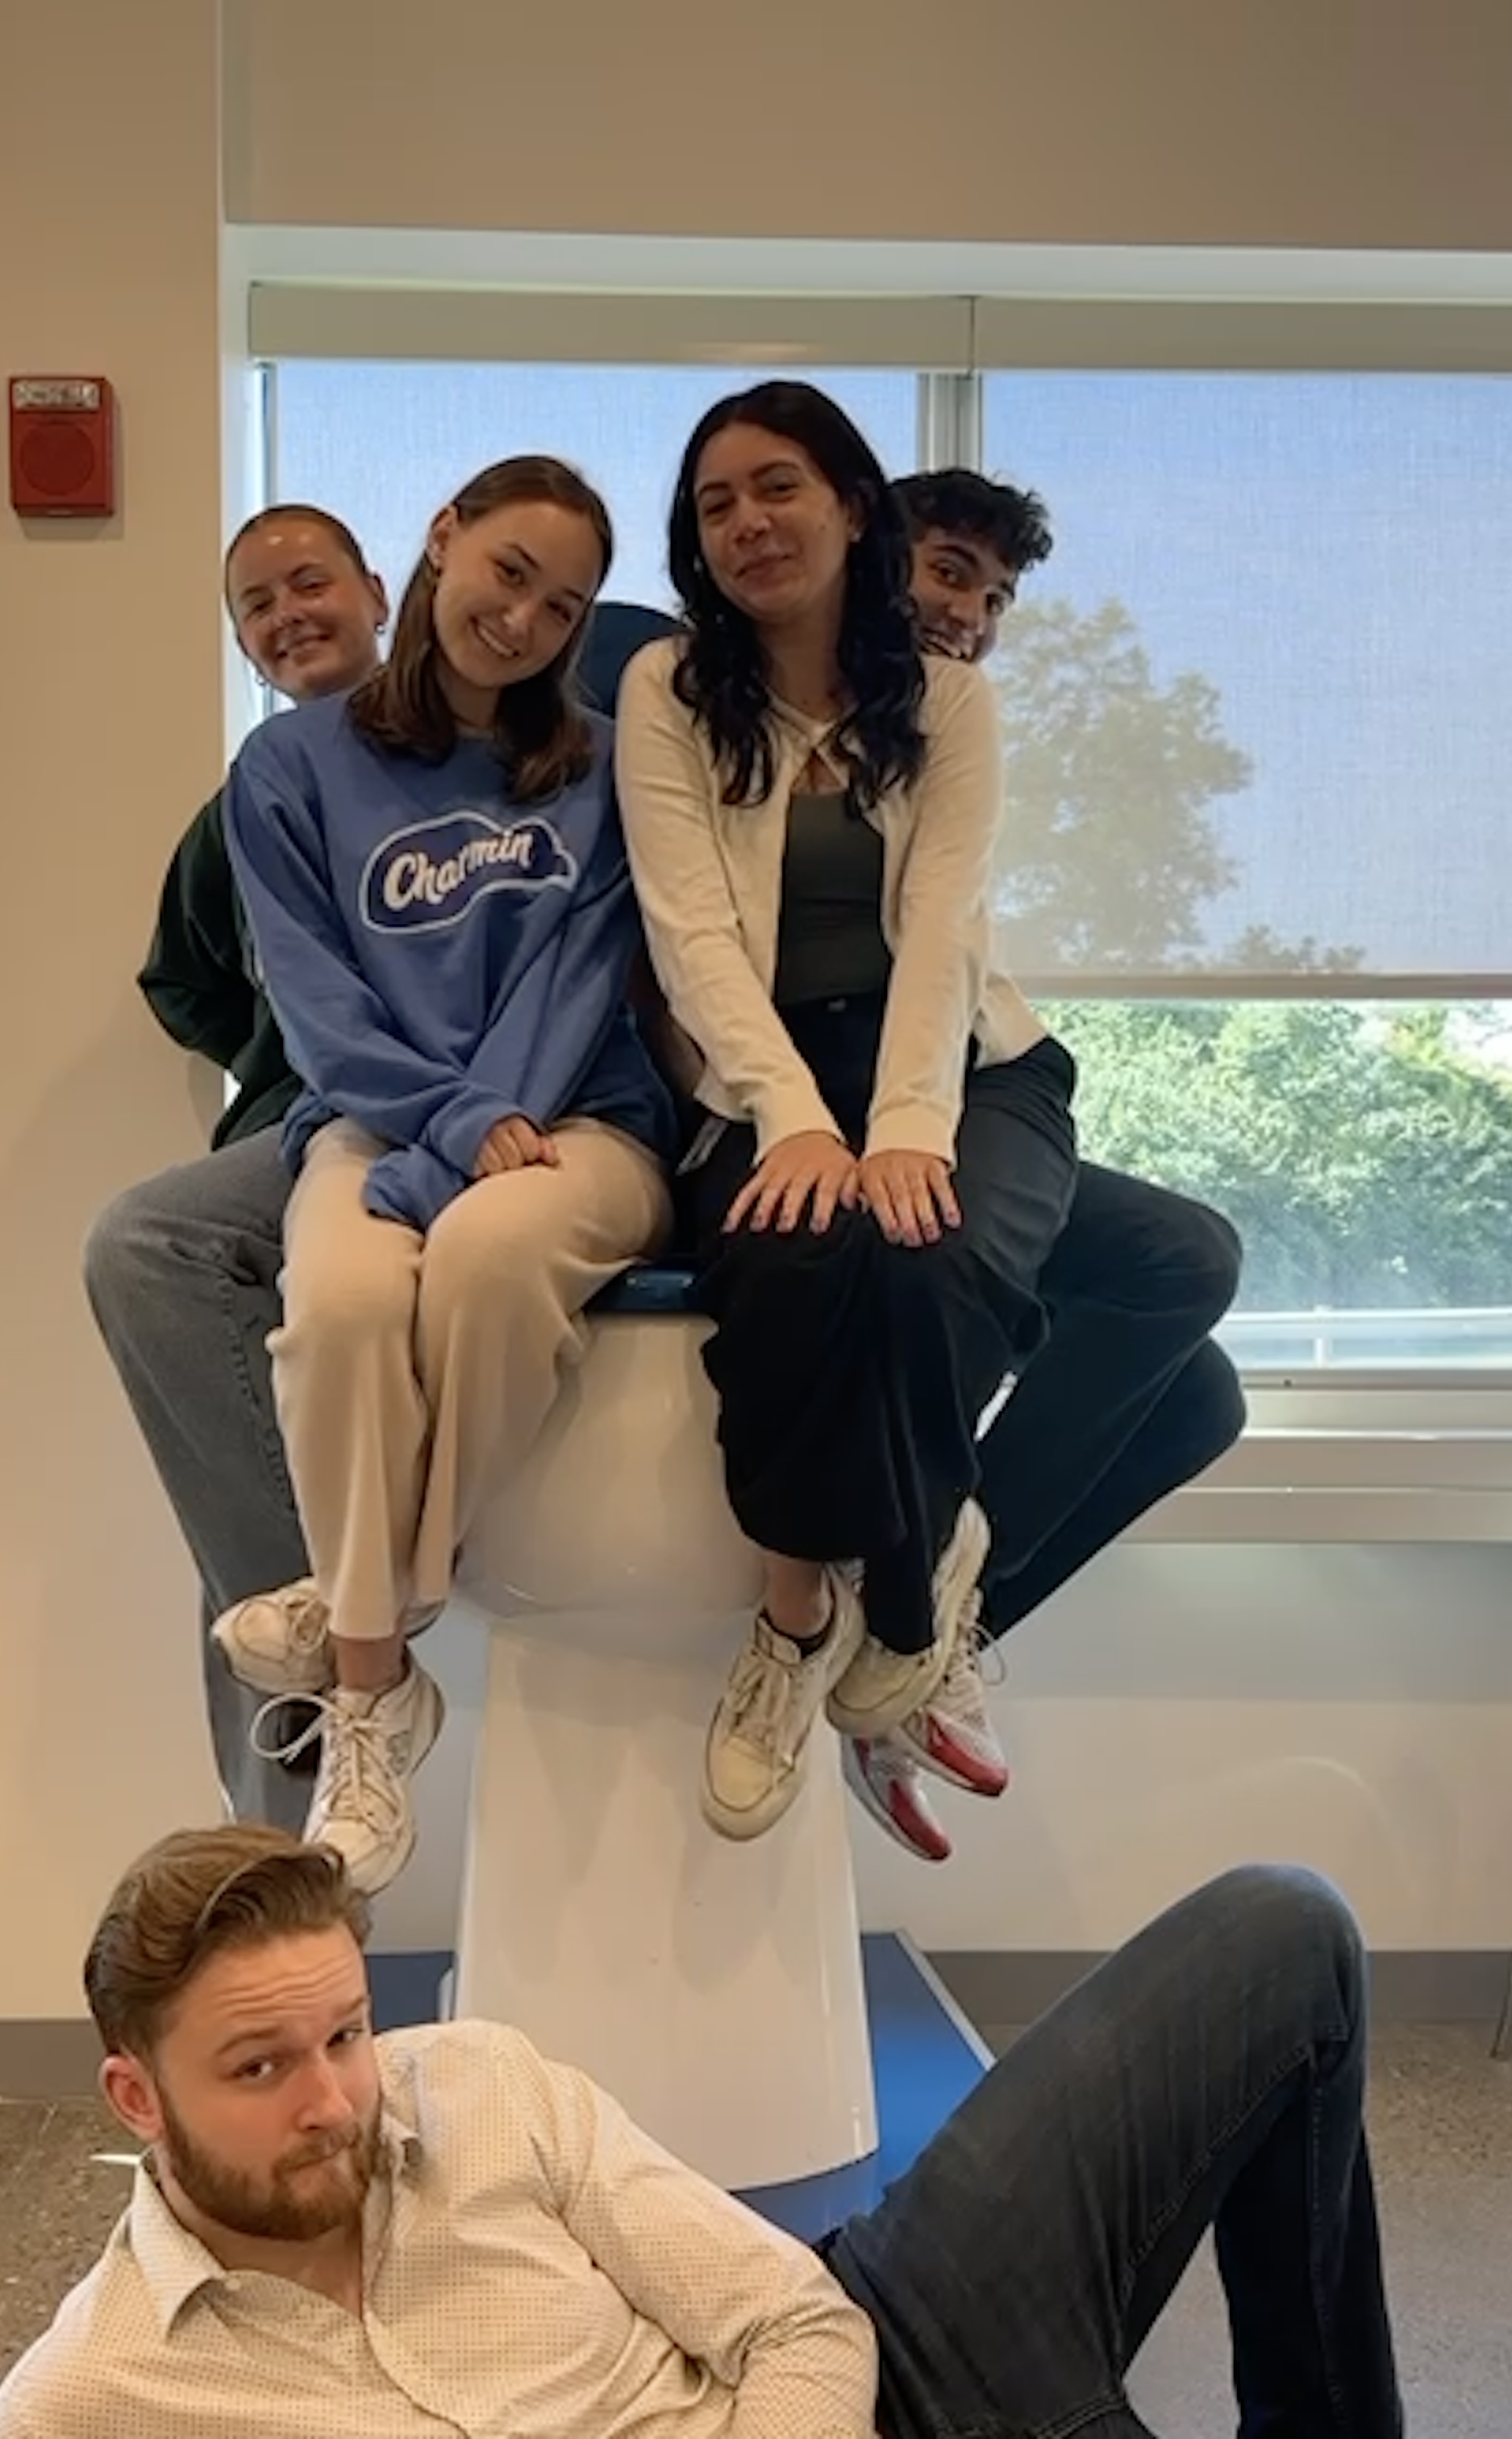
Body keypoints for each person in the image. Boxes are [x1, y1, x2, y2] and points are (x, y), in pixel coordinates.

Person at [0, 1820, 1404, 2437]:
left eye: (346, 2034)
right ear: (136, 2098)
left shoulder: (478, 2080)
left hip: (880, 2356)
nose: (336, 2101)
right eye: (260, 2068)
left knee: (1280, 1934)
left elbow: (800, 2322)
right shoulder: (89, 2400)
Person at [84, 508, 680, 1833]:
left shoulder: (590, 756)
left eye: (558, 600)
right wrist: (344, 1093)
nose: (522, 617)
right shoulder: (270, 779)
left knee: (463, 1263)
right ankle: (295, 1789)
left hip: (544, 1119)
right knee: (294, 1302)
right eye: (255, 604)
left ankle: (354, 1610)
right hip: (356, 1115)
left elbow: (583, 978)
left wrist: (469, 1128)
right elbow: (220, 985)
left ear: (378, 582)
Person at [616, 382, 1080, 1845]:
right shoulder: (669, 691)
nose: (747, 523)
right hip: (769, 1069)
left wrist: (904, 1135)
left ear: (852, 505)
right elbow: (689, 932)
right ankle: (804, 1620)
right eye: (715, 504)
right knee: (788, 1259)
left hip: (962, 1065)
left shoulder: (949, 701)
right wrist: (796, 1120)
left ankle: (907, 1605)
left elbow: (943, 927)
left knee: (932, 1255)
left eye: (779, 488)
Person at [835, 471, 1249, 1864]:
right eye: (948, 571)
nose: (972, 614)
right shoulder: (775, 720)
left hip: (981, 1079)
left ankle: (924, 1646)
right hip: (878, 1112)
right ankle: (915, 1632)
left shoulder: (948, 733)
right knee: (1182, 1266)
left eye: (996, 597)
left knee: (1200, 1397)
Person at [85, 505, 394, 1832]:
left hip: (448, 1140)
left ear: (378, 591)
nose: (287, 616)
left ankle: (324, 1638)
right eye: (255, 608)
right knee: (236, 1520)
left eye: (308, 583)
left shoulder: (473, 766)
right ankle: (278, 1861)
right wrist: (278, 1061)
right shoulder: (243, 807)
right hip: (295, 1140)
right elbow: (183, 980)